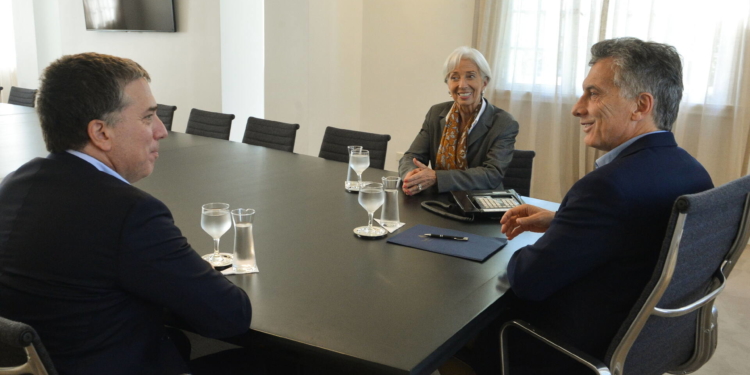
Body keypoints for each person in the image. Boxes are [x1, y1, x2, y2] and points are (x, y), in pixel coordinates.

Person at [0, 53, 253, 375]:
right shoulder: (129, 213)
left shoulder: (13, 185)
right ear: (101, 133)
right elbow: (229, 316)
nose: (161, 131)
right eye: (148, 117)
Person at [474, 38, 713, 374]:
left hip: (571, 351)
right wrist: (565, 221)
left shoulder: (606, 188)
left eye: (594, 93)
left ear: (641, 106)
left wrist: (538, 243)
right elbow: (637, 231)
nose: (577, 108)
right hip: (646, 346)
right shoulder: (693, 172)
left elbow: (528, 281)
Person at [398, 46, 518, 195]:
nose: (462, 85)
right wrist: (411, 175)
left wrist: (437, 177)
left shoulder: (504, 123)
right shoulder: (436, 113)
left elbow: (491, 175)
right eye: (454, 77)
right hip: (438, 201)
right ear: (448, 84)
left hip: (480, 204)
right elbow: (411, 157)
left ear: (484, 82)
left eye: (470, 76)